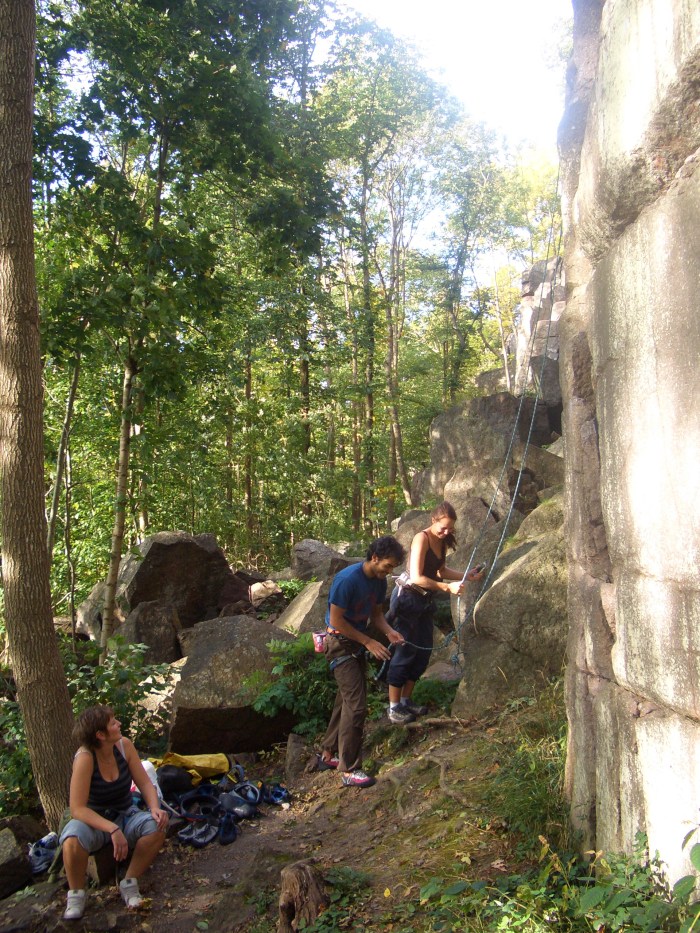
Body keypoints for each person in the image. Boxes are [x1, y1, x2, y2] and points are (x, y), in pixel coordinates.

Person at [59, 705, 169, 920]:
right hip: (94, 820)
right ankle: (76, 895)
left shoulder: (124, 746)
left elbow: (145, 783)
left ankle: (129, 882)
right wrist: (112, 829)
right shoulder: (85, 757)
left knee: (157, 826)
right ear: (100, 735)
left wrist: (155, 807)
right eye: (113, 723)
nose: (119, 724)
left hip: (125, 812)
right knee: (72, 838)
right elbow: (77, 808)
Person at [319, 536, 406, 788]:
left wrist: (389, 631)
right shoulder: (347, 580)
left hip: (356, 642)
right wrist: (368, 642)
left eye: (393, 567)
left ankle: (329, 753)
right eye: (388, 566)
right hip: (338, 644)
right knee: (356, 706)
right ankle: (349, 769)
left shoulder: (379, 582)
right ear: (374, 558)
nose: (390, 572)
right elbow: (337, 621)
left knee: (345, 700)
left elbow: (377, 614)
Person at [386, 501, 484, 724]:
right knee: (405, 650)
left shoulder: (442, 541)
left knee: (423, 652)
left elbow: (440, 570)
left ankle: (406, 700)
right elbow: (417, 576)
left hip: (424, 601)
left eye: (450, 528)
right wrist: (447, 587)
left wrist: (465, 575)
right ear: (433, 520)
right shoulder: (421, 538)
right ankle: (393, 707)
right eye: (443, 528)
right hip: (408, 599)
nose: (446, 532)